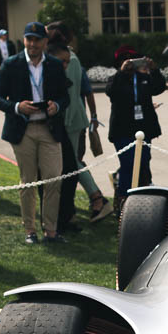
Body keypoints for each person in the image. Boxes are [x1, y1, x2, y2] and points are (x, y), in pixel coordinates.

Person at [0, 22, 70, 244]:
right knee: (28, 181)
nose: (32, 44)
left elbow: (66, 97)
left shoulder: (54, 65)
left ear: (45, 42)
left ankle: (51, 231)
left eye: (37, 39)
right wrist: (17, 107)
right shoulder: (11, 64)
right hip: (22, 129)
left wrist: (57, 106)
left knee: (54, 178)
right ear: (24, 40)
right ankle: (30, 230)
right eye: (29, 39)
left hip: (49, 128)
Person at [48, 32, 108, 227]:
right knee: (71, 162)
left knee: (72, 163)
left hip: (70, 120)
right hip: (71, 118)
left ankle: (97, 198)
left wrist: (93, 117)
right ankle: (82, 203)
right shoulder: (71, 59)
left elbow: (77, 92)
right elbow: (85, 89)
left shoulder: (68, 61)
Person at [106, 46, 167, 210]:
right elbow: (111, 92)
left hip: (143, 129)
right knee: (128, 165)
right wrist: (121, 72)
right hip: (122, 130)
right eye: (127, 61)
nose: (131, 64)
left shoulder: (143, 78)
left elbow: (159, 87)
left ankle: (142, 202)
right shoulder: (116, 79)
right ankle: (123, 202)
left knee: (143, 164)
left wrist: (154, 70)